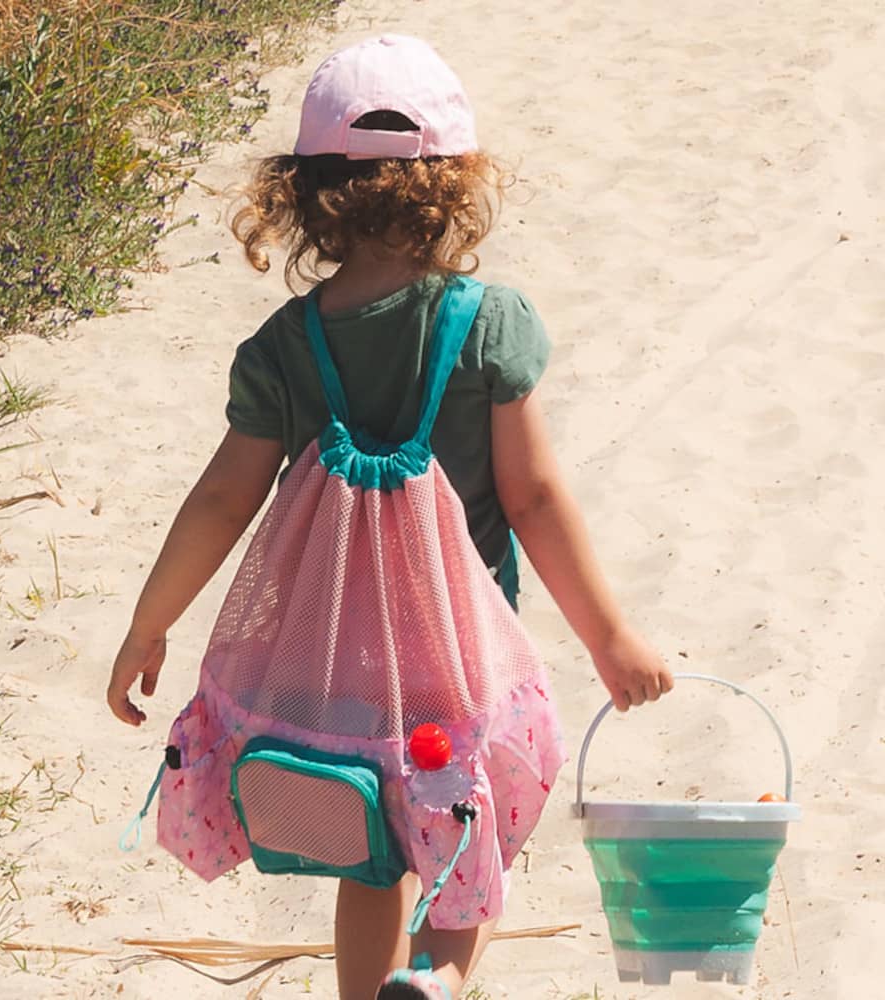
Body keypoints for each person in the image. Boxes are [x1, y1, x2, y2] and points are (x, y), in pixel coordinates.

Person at [107, 33, 673, 1000]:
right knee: (465, 830)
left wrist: (147, 624)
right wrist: (611, 637)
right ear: (453, 188)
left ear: (310, 194)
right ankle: (441, 981)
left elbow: (222, 498)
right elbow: (533, 498)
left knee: (369, 849)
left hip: (331, 664)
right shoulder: (486, 325)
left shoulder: (285, 346)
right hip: (459, 657)